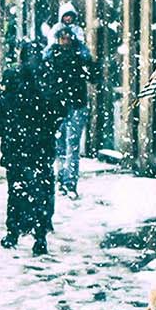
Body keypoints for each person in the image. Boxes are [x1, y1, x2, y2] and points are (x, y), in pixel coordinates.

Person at [0, 42, 68, 255]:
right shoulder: (48, 80)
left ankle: (14, 231)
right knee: (42, 189)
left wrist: (3, 119)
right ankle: (40, 235)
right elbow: (60, 110)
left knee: (17, 189)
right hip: (41, 147)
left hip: (16, 147)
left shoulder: (12, 79)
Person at [47, 19, 94, 198]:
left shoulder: (77, 55)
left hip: (74, 105)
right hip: (61, 106)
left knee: (71, 145)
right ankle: (62, 180)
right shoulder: (53, 55)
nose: (65, 41)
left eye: (68, 38)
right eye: (62, 38)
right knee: (61, 146)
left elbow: (92, 74)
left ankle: (69, 182)